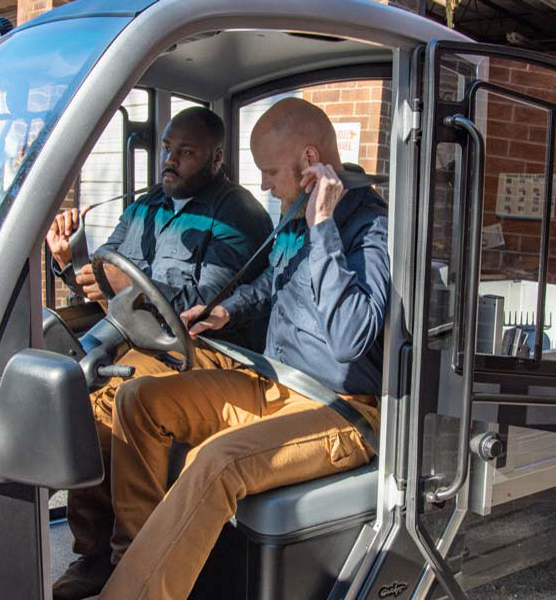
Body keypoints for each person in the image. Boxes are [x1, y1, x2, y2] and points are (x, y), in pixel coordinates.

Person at [96, 97, 389, 599]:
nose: (263, 186)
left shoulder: (371, 226)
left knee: (216, 460)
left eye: (270, 171)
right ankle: (136, 565)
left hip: (339, 409)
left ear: (310, 160)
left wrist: (323, 230)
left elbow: (350, 336)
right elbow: (275, 285)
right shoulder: (294, 212)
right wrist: (229, 311)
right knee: (137, 401)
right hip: (273, 379)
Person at [48, 106, 274, 600]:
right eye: (167, 149)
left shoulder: (238, 213)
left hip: (208, 349)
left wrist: (117, 281)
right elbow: (102, 274)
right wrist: (72, 261)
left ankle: (134, 558)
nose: (169, 161)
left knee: (115, 397)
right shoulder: (146, 205)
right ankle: (92, 552)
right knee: (75, 388)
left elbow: (203, 303)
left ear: (216, 158)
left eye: (184, 152)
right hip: (139, 337)